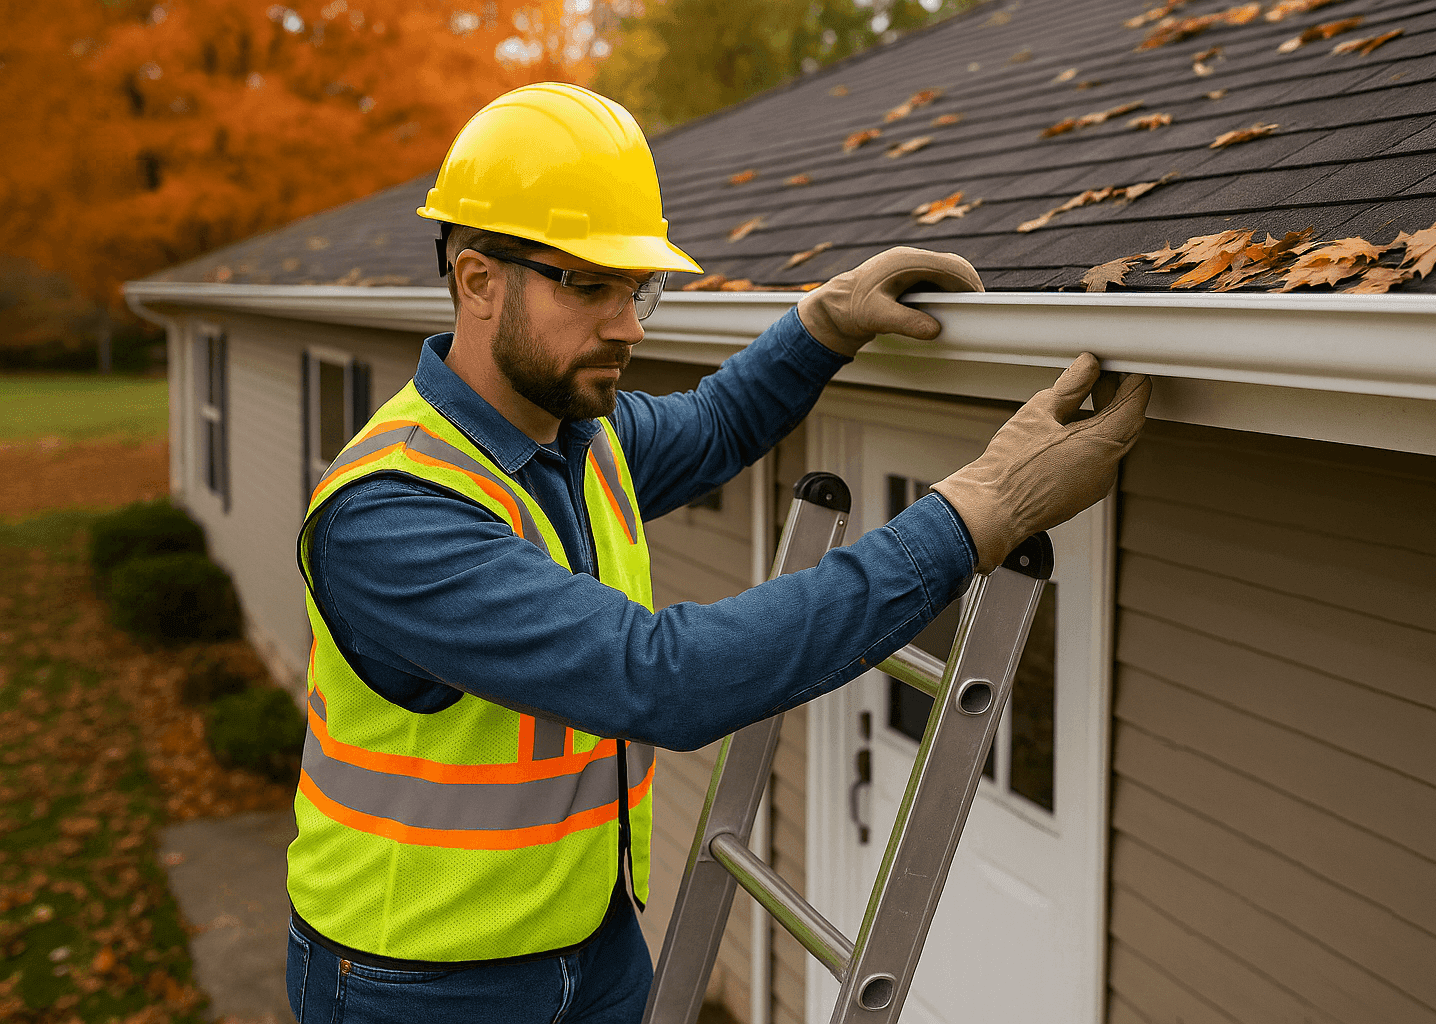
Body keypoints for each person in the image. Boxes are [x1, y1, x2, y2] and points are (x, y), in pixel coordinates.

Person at [284, 82, 1150, 1024]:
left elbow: (715, 421)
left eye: (638, 287)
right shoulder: (393, 515)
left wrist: (828, 322)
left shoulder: (577, 435)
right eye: (590, 285)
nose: (630, 325)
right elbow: (661, 677)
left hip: (594, 938)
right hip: (411, 986)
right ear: (479, 281)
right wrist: (976, 513)